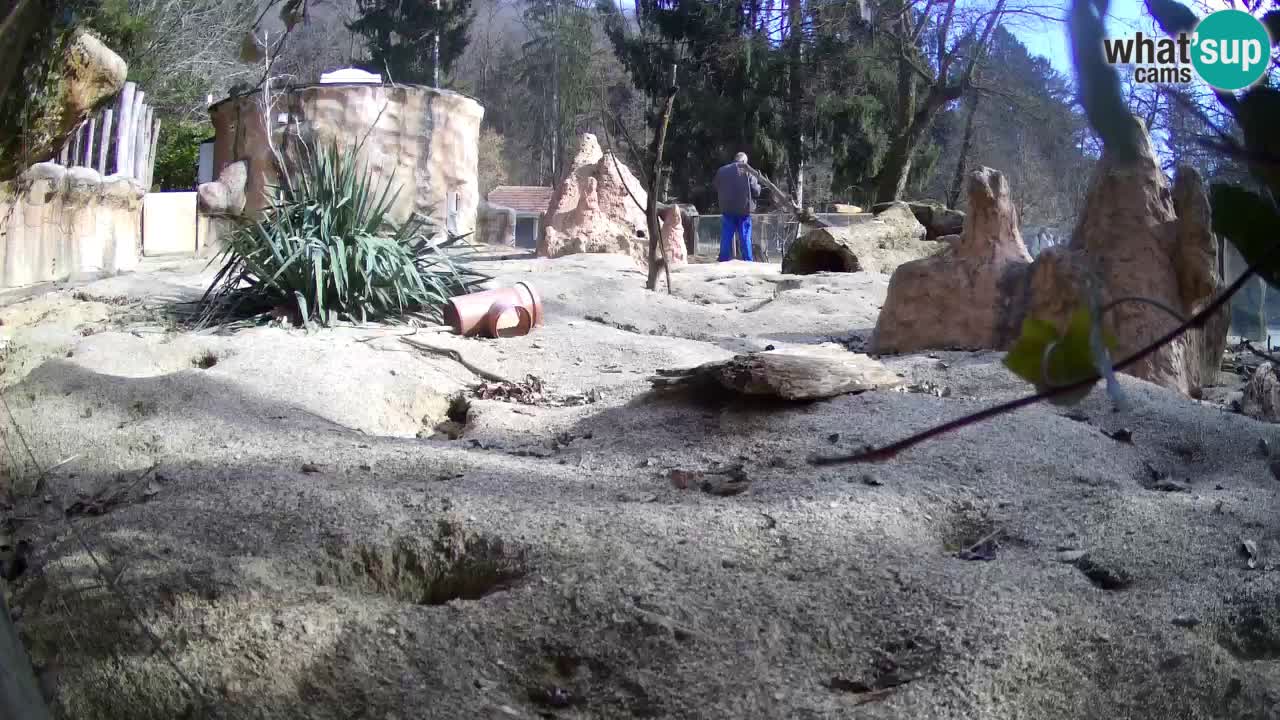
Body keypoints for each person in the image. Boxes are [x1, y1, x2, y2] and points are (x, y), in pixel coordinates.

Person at [712, 152, 762, 262]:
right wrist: (759, 187)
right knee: (744, 237)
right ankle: (748, 261)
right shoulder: (747, 170)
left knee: (726, 236)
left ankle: (723, 260)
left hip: (727, 208)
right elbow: (756, 190)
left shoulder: (722, 170)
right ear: (744, 161)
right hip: (744, 209)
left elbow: (716, 185)